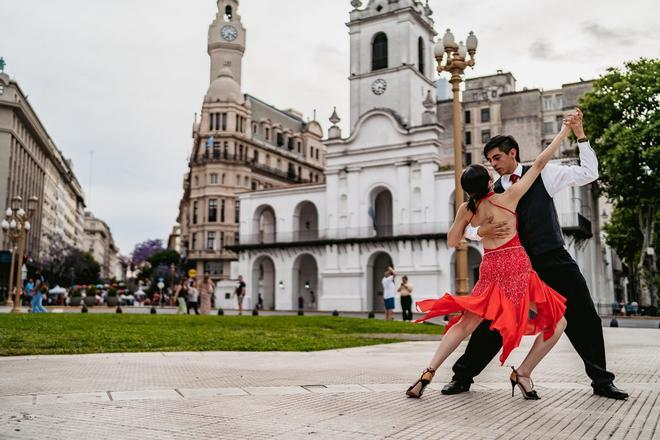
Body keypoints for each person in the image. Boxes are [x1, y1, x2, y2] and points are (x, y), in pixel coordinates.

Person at [438, 109, 628, 400]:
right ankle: (462, 377)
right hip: (515, 266)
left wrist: (580, 134)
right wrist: (480, 234)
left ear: (512, 153)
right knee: (493, 324)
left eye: (496, 158)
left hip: (553, 258)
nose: (493, 165)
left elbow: (590, 173)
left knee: (584, 316)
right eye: (489, 161)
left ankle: (602, 382)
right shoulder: (491, 191)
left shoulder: (545, 173)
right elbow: (469, 226)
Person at [406, 114, 577, 400]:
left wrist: (477, 229)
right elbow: (539, 163)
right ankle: (523, 372)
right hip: (518, 270)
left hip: (490, 271)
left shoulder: (466, 209)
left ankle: (428, 372)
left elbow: (451, 241)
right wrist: (563, 132)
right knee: (558, 322)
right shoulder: (506, 197)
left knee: (464, 325)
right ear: (489, 182)